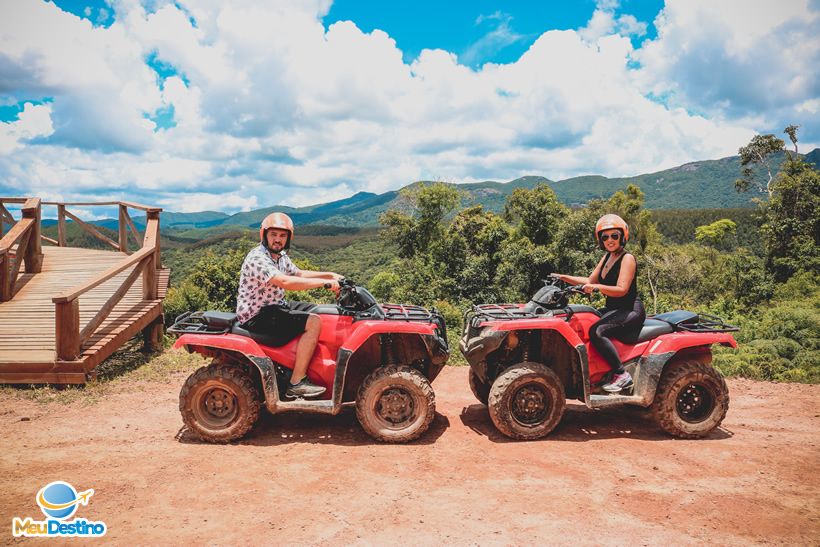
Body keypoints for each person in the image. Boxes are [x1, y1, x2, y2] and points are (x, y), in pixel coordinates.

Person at [236, 212, 343, 398]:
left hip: (276, 306)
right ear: (264, 235)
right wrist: (323, 283)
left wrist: (331, 275)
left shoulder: (280, 256)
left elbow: (298, 274)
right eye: (274, 235)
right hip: (257, 315)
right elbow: (285, 282)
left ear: (288, 238)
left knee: (319, 310)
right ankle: (297, 381)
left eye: (282, 236)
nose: (278, 239)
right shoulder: (258, 258)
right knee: (313, 322)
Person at [553, 214, 645, 392]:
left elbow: (621, 289)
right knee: (583, 319)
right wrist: (563, 277)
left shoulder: (627, 258)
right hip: (613, 308)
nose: (610, 240)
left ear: (622, 236)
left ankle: (622, 374)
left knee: (597, 331)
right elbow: (589, 279)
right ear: (600, 240)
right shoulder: (607, 257)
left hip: (630, 309)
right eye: (605, 237)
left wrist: (596, 287)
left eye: (614, 236)